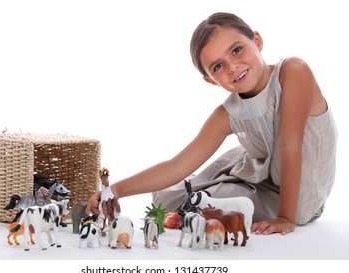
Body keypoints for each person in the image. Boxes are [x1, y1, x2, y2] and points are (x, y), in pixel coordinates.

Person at [86, 12, 337, 235]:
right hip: (256, 169)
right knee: (165, 199)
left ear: (257, 41)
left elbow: (289, 145)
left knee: (192, 203)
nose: (233, 66)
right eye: (218, 66)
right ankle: (214, 182)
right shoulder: (227, 113)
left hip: (298, 194)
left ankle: (216, 185)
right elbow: (177, 164)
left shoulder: (293, 70)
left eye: (237, 50)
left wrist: (285, 218)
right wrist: (116, 189)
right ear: (211, 81)